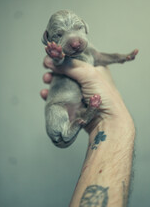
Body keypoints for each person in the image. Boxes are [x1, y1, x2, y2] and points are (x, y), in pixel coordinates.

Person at [40, 55, 135, 207]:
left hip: (76, 108)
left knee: (73, 121)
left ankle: (86, 114)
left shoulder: (86, 52)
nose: (76, 42)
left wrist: (122, 57)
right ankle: (83, 117)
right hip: (64, 109)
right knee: (61, 121)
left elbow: (99, 56)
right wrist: (114, 119)